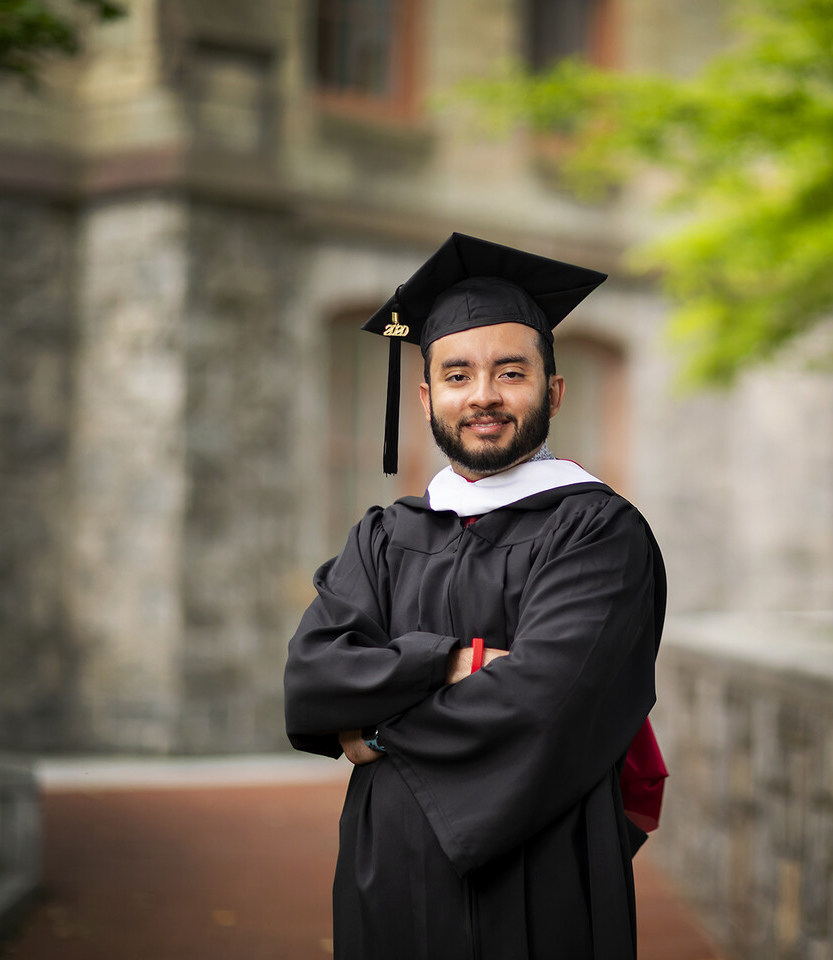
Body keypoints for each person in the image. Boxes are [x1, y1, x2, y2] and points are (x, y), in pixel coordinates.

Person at [284, 233, 668, 959]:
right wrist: (448, 660)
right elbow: (313, 678)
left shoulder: (598, 532)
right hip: (385, 870)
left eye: (510, 372)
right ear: (428, 397)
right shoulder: (386, 535)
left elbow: (548, 701)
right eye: (457, 375)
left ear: (552, 391)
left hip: (540, 872)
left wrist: (375, 727)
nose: (483, 395)